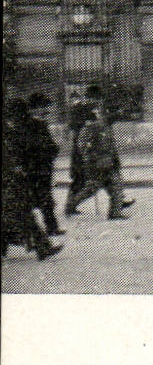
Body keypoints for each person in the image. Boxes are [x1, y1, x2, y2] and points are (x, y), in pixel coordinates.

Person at [3, 99, 61, 260]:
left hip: (17, 178)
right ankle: (42, 245)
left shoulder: (14, 131)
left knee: (21, 212)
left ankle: (43, 246)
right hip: (14, 178)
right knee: (20, 213)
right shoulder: (12, 131)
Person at [64, 104, 133, 219]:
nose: (98, 113)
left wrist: (113, 159)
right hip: (96, 165)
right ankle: (71, 205)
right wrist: (92, 157)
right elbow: (82, 147)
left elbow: (110, 146)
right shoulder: (89, 128)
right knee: (92, 188)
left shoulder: (104, 126)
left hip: (108, 162)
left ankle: (115, 212)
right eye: (96, 112)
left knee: (115, 186)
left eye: (98, 112)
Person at [20, 94, 63, 235]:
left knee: (44, 198)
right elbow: (34, 147)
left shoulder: (39, 124)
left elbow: (49, 146)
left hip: (41, 167)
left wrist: (53, 149)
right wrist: (51, 150)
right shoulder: (29, 126)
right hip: (34, 168)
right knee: (36, 199)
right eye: (43, 107)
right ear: (34, 109)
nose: (46, 111)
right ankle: (42, 229)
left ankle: (51, 227)